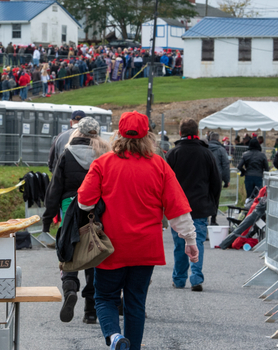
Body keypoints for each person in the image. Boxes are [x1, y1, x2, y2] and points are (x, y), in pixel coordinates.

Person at [78, 111, 197, 350]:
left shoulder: (103, 163)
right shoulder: (159, 165)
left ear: (118, 134)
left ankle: (114, 337)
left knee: (104, 297)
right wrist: (190, 240)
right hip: (145, 247)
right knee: (135, 303)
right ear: (148, 136)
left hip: (111, 246)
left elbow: (84, 202)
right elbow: (177, 208)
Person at [43, 117, 109, 324]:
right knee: (92, 251)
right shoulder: (104, 156)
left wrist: (47, 218)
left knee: (68, 248)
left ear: (77, 132)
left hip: (68, 207)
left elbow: (55, 189)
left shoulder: (67, 153)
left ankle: (70, 286)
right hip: (95, 209)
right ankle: (90, 309)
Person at [166, 119, 222, 292]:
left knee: (179, 244)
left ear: (180, 132)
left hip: (178, 206)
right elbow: (216, 182)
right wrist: (213, 203)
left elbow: (165, 181)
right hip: (200, 205)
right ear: (197, 132)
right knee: (196, 241)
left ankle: (179, 278)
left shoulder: (174, 153)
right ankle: (196, 277)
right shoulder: (206, 154)